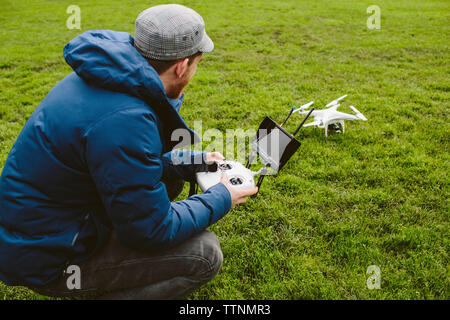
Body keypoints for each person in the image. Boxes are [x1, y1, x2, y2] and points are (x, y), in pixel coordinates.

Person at [0, 4, 257, 299]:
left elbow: (122, 163)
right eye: (197, 65)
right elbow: (153, 230)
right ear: (182, 66)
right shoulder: (126, 119)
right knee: (204, 254)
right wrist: (221, 196)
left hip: (38, 229)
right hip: (47, 256)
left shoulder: (107, 74)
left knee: (169, 180)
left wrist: (190, 161)